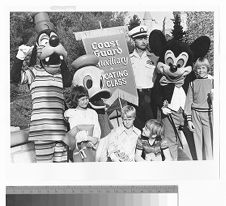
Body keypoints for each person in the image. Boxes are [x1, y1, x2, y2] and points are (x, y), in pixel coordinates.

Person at [129, 25, 158, 130]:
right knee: (137, 125)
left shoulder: (154, 58)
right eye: (140, 39)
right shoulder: (128, 59)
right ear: (134, 41)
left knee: (152, 125)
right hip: (135, 95)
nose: (143, 41)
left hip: (150, 95)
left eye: (145, 38)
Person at [184, 57, 213, 160]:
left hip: (209, 114)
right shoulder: (193, 83)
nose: (201, 71)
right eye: (198, 68)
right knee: (198, 140)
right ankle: (200, 162)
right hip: (195, 114)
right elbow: (188, 102)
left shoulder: (212, 82)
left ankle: (210, 162)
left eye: (203, 68)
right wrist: (189, 120)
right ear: (195, 70)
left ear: (208, 68)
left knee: (209, 141)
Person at [64, 86, 101, 152]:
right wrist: (87, 138)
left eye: (87, 98)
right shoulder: (72, 113)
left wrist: (95, 138)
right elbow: (75, 130)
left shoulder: (93, 112)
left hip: (94, 145)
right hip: (80, 147)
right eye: (82, 99)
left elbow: (97, 129)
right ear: (76, 100)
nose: (85, 101)